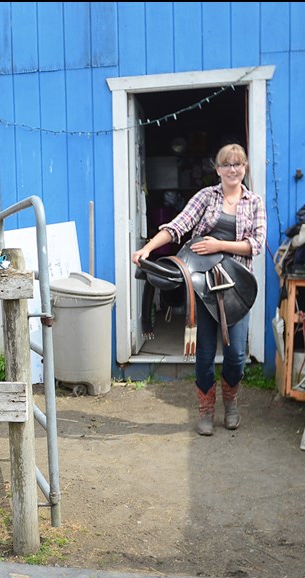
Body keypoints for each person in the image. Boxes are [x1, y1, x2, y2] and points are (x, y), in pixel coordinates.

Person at [131, 143, 266, 436]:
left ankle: (230, 402)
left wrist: (220, 245)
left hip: (236, 286)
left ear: (245, 168)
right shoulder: (206, 197)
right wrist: (148, 248)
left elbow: (255, 244)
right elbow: (177, 226)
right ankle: (206, 409)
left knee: (236, 355)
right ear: (217, 169)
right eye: (227, 164)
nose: (233, 169)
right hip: (203, 285)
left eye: (238, 164)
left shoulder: (254, 202)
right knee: (204, 352)